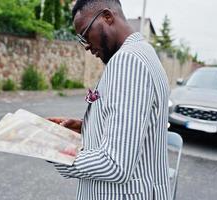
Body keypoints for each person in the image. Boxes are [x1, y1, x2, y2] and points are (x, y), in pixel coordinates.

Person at [48, 0, 171, 199]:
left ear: (107, 16)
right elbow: (138, 125)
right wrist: (86, 126)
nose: (86, 45)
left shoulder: (127, 61)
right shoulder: (144, 51)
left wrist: (52, 149)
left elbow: (115, 164)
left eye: (86, 34)